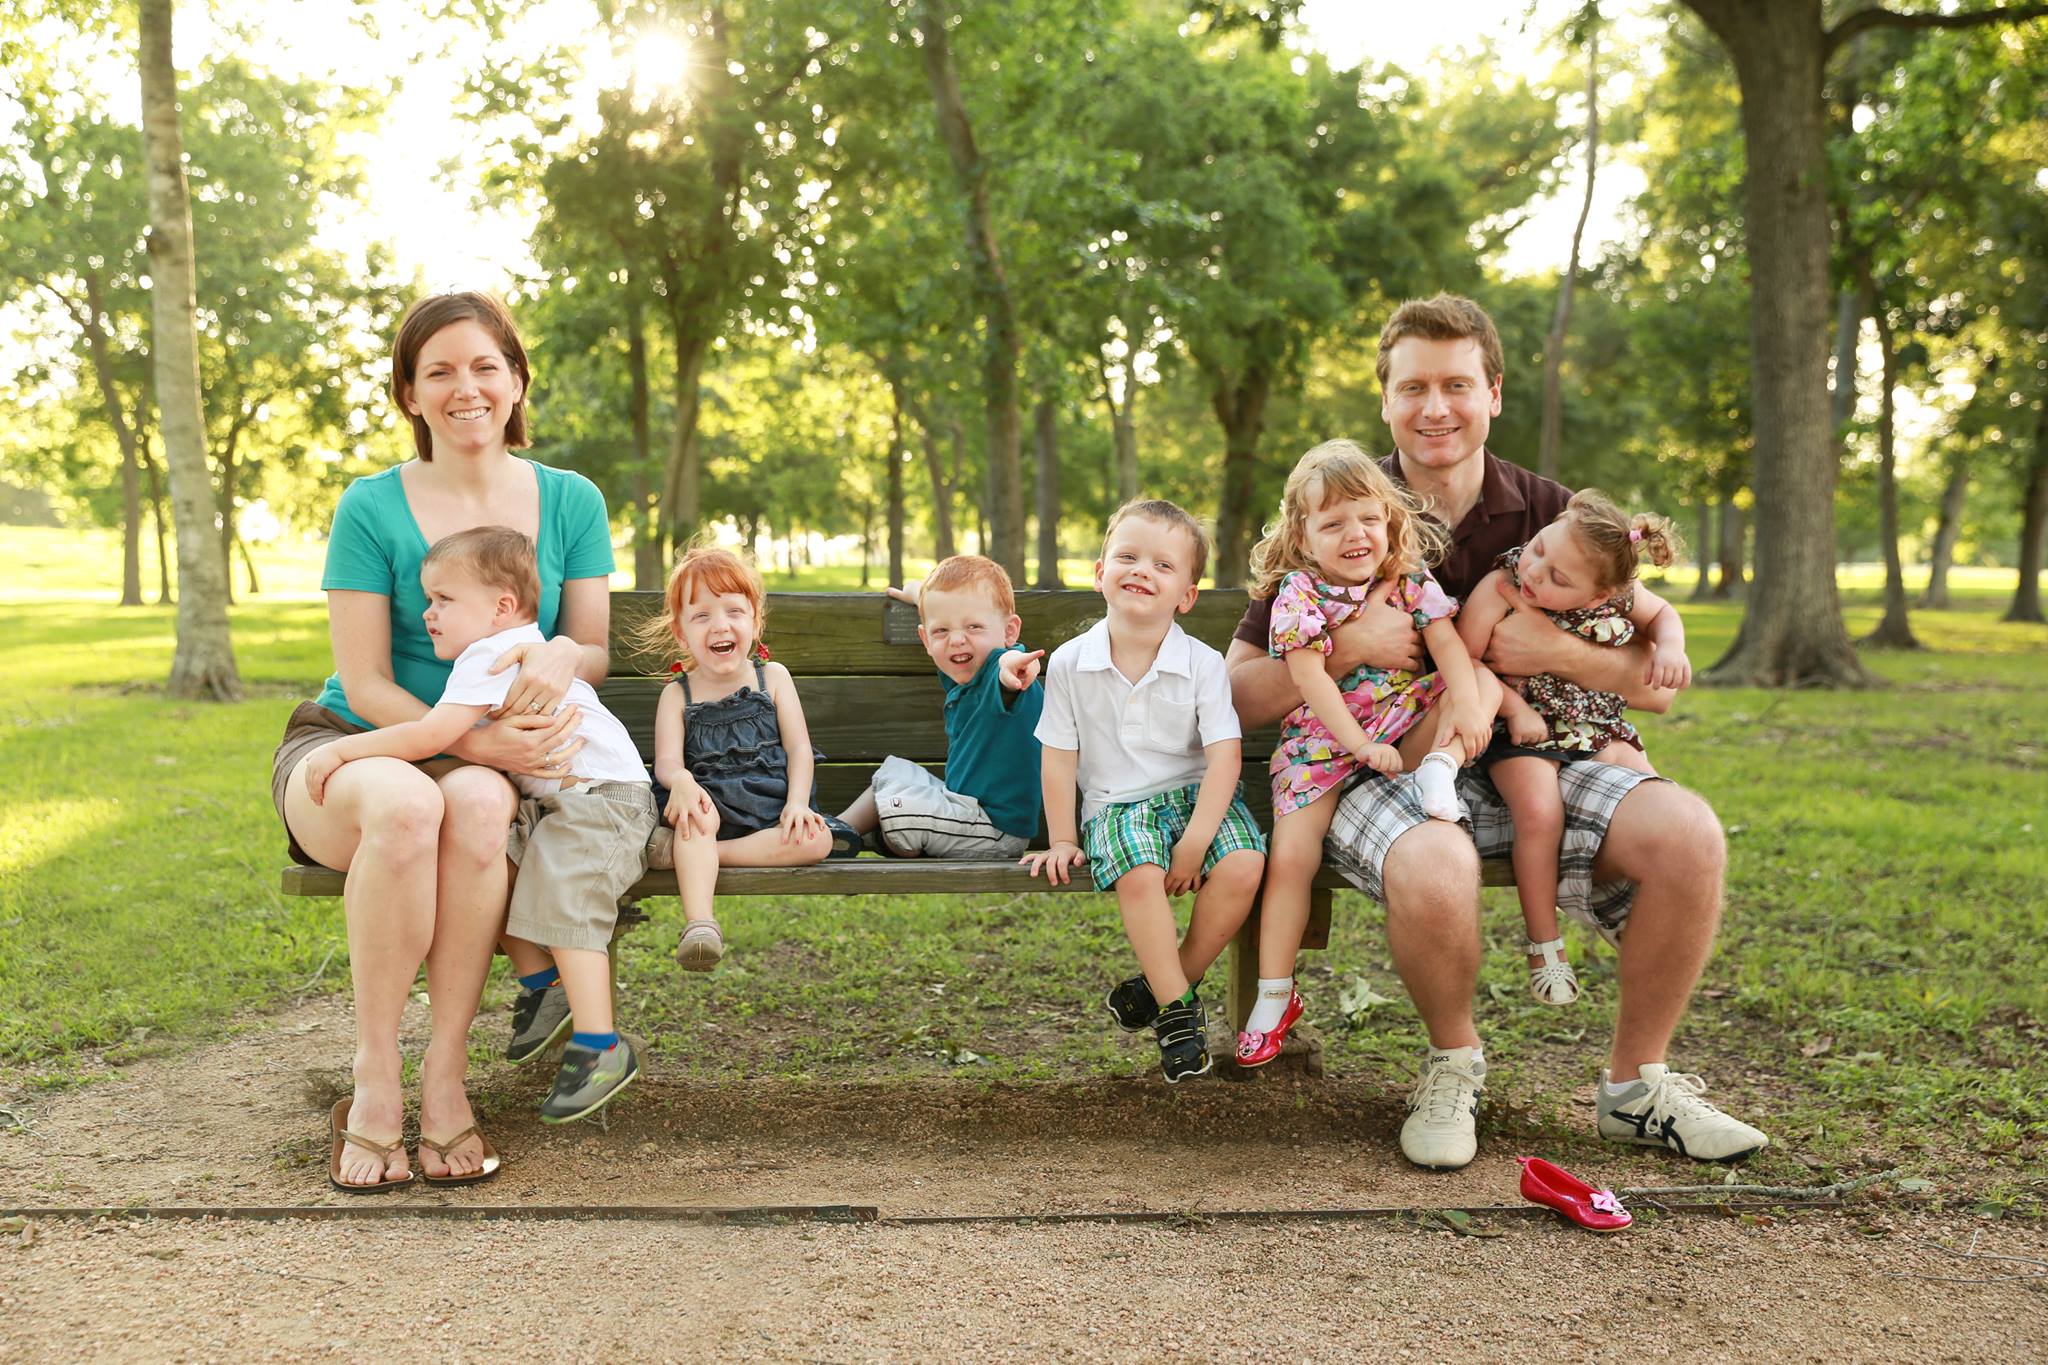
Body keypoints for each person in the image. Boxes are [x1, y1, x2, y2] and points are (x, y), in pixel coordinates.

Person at [1225, 293, 1767, 1169]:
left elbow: (1658, 685)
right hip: (1378, 761)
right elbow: (1239, 693)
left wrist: (1557, 650)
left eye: (1456, 384)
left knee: (1689, 834)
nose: (1435, 407)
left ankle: (1637, 1085)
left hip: (1535, 748)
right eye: (1413, 388)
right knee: (1436, 860)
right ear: (1386, 399)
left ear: (1495, 393)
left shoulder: (1554, 515)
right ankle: (1453, 1062)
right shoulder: (1336, 506)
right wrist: (1348, 642)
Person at [273, 290, 615, 1191]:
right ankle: (376, 1080)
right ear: (410, 394)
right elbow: (368, 680)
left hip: (487, 759)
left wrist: (558, 662)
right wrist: (472, 743)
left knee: (468, 800)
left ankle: (446, 1075)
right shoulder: (370, 505)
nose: (465, 387)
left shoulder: (571, 501)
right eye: (439, 372)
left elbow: (594, 646)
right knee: (411, 800)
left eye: (483, 365)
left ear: (515, 379)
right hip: (360, 745)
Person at [304, 528, 657, 1124]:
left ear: (500, 607)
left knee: (566, 900)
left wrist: (344, 752)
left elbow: (433, 736)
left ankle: (600, 1045)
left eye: (443, 599)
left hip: (601, 803)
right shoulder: (519, 646)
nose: (427, 614)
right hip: (569, 803)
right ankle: (545, 986)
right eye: (428, 599)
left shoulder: (489, 655)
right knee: (496, 864)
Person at [1235, 441, 1500, 1068]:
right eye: (1333, 523)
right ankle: (1274, 994)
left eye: (1369, 517)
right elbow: (1310, 681)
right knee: (1291, 858)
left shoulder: (1407, 579)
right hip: (1322, 744)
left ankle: (1441, 770)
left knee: (1482, 684)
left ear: (1390, 521)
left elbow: (1451, 647)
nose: (1355, 534)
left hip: (1405, 727)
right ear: (1303, 537)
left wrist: (1462, 707)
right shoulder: (1297, 595)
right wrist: (1357, 746)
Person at [1024, 499, 1267, 1083]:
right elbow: (1059, 757)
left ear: (1187, 595)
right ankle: (1179, 1012)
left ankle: (1161, 985)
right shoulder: (1068, 664)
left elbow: (1224, 758)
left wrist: (1196, 840)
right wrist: (1061, 837)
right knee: (1139, 873)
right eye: (1127, 556)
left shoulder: (1203, 664)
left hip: (1196, 796)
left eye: (1163, 565)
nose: (1141, 570)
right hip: (1116, 804)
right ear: (1099, 571)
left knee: (1245, 863)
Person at [1456, 492, 1691, 1006]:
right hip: (1519, 730)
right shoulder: (1503, 583)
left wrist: (1670, 647)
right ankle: (1545, 946)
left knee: (1652, 797)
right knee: (1539, 813)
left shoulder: (1619, 592)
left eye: (1559, 578)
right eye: (1538, 549)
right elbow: (1464, 661)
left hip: (1595, 726)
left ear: (1597, 596)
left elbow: (1662, 615)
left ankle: (1622, 910)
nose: (1536, 572)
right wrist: (1517, 711)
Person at [642, 547, 849, 969]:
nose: (721, 625)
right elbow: (667, 763)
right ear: (681, 634)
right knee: (695, 820)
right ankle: (701, 924)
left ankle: (700, 855)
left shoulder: (772, 677)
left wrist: (796, 803)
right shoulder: (676, 694)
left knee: (818, 839)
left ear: (755, 622)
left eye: (734, 611)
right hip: (709, 801)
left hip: (773, 805)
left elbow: (799, 748)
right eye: (702, 616)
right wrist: (682, 783)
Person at [836, 554, 1046, 859]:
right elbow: (944, 605)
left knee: (900, 812)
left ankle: (890, 838)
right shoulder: (961, 672)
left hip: (994, 831)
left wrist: (1014, 669)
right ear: (925, 638)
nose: (957, 639)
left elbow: (1006, 666)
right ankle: (835, 832)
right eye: (941, 631)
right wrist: (918, 594)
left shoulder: (1001, 677)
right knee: (894, 772)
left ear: (1009, 632)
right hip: (959, 810)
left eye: (974, 627)